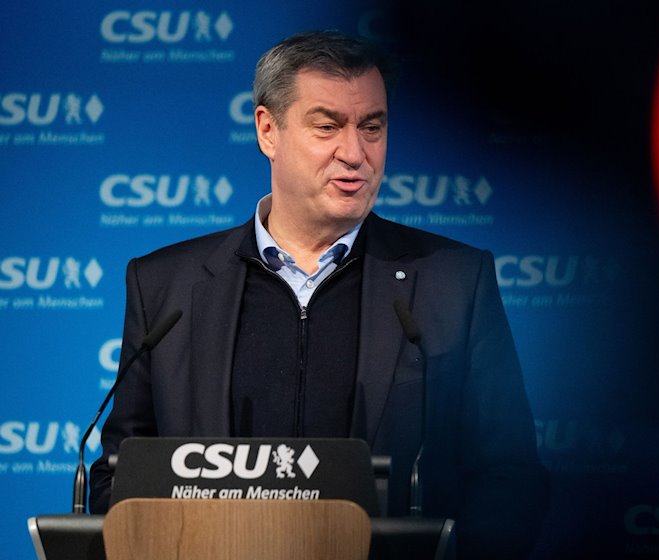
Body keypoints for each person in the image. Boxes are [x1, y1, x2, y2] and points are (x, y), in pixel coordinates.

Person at [89, 30, 548, 558]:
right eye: (327, 126)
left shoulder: (453, 280)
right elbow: (120, 474)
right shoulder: (165, 284)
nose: (354, 153)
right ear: (268, 130)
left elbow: (508, 474)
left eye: (372, 127)